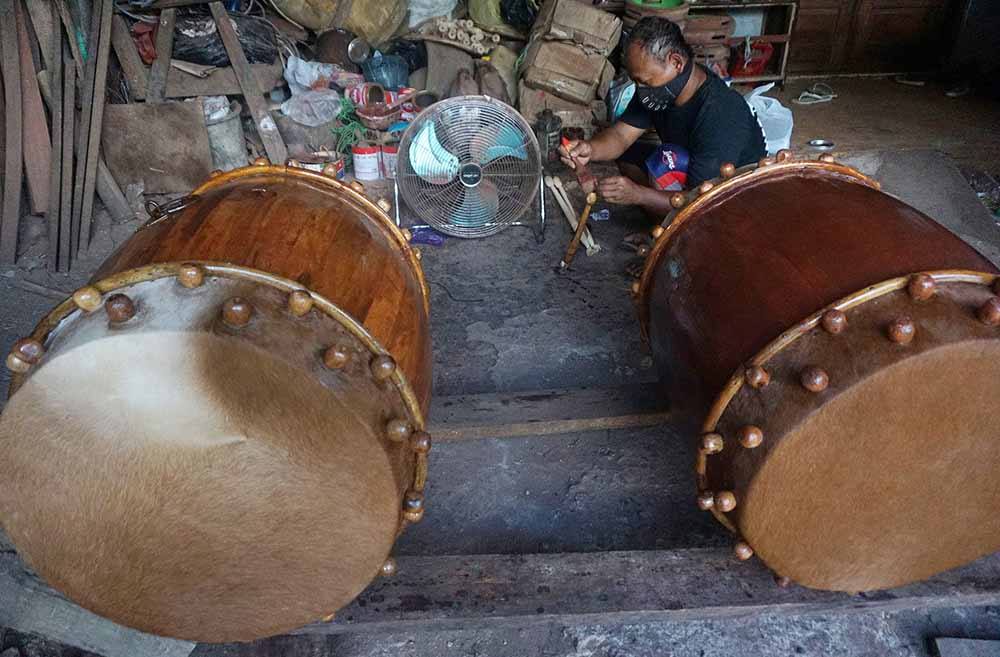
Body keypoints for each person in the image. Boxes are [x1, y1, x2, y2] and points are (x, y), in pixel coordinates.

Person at [559, 17, 766, 216]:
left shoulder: (720, 112)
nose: (640, 89)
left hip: (730, 200)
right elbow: (621, 136)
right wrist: (590, 149)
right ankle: (657, 216)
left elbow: (703, 200)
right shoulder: (659, 89)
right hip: (692, 168)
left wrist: (639, 195)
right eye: (636, 82)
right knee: (630, 156)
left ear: (676, 62)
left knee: (663, 160)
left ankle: (664, 230)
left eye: (645, 82)